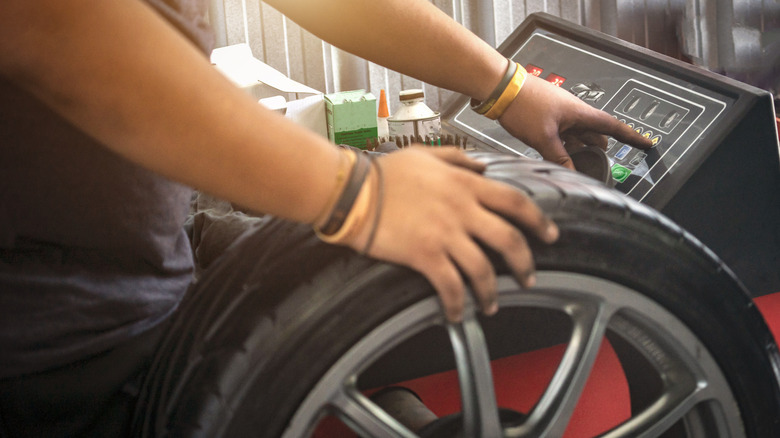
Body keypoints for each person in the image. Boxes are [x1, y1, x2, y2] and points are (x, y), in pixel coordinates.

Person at [0, 0, 651, 436]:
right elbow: (54, 25)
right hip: (52, 349)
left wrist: (505, 84)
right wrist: (358, 197)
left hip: (137, 259)